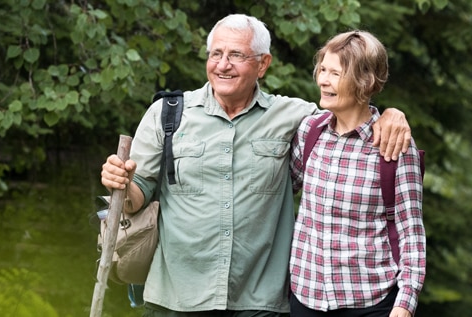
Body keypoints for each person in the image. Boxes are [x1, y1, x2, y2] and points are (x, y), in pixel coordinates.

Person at [99, 14, 412, 316]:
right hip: (175, 297)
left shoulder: (297, 118)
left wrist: (389, 114)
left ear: (263, 64)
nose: (223, 65)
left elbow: (347, 110)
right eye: (216, 54)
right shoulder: (166, 115)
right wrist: (123, 185)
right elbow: (137, 194)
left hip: (259, 302)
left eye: (236, 55)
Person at [287, 30, 425, 317]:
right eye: (322, 69)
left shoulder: (394, 145)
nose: (323, 80)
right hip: (305, 297)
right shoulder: (309, 132)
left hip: (369, 302)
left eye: (335, 73)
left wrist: (405, 303)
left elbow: (411, 232)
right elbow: (280, 190)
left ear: (365, 81)